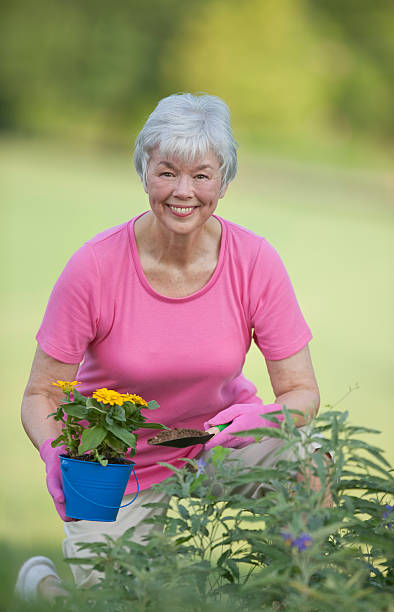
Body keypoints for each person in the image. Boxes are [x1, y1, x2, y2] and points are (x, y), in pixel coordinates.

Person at [16, 93, 320, 601]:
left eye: (201, 175)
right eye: (166, 171)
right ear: (143, 172)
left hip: (220, 447)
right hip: (111, 465)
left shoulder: (255, 261)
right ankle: (45, 590)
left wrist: (264, 420)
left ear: (223, 181)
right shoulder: (93, 268)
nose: (184, 191)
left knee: (309, 459)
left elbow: (303, 392)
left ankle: (302, 595)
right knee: (115, 603)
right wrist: (55, 449)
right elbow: (40, 394)